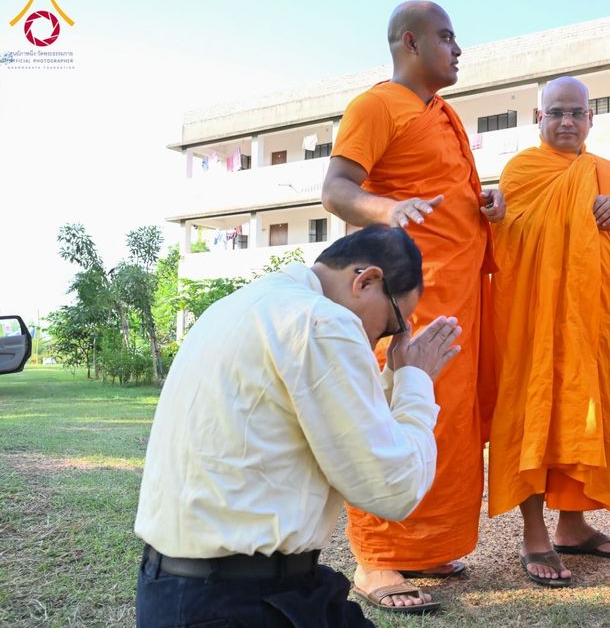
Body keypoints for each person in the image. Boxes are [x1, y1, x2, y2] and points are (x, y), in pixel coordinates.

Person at [134, 226, 462, 626]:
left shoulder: (241, 306)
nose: (386, 341)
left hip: (188, 590)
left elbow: (342, 424)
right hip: (238, 604)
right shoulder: (322, 321)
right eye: (393, 325)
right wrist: (416, 382)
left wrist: (395, 375)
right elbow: (393, 489)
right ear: (366, 281)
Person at [321, 0, 504, 612]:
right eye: (446, 37)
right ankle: (376, 558)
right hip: (404, 295)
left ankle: (425, 546)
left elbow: (442, 195)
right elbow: (336, 190)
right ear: (410, 42)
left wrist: (485, 204)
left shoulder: (442, 114)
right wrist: (387, 210)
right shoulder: (376, 106)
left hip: (458, 295)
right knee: (393, 409)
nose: (458, 49)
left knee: (446, 421)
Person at [487, 76, 610, 586]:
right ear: (538, 118)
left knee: (586, 418)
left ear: (590, 119)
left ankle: (573, 525)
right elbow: (506, 236)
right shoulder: (522, 170)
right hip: (534, 324)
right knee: (533, 416)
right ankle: (533, 534)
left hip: (593, 326)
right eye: (556, 112)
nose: (567, 121)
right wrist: (497, 216)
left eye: (576, 113)